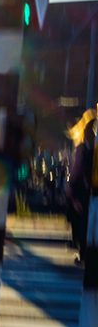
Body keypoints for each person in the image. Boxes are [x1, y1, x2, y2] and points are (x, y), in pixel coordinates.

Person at [67, 108, 95, 264]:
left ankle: (84, 253)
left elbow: (76, 171)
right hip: (89, 192)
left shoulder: (83, 148)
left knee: (83, 225)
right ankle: (87, 253)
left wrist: (71, 191)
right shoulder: (88, 149)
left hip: (84, 193)